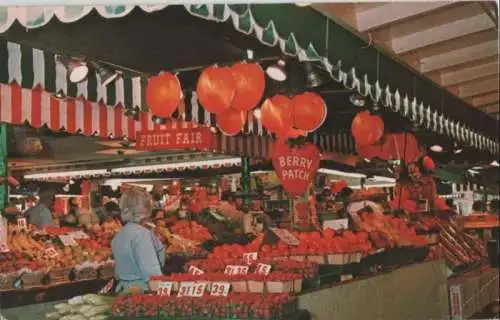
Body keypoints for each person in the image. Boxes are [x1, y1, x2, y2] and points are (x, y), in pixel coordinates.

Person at [111, 187, 165, 293]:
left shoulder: (119, 235)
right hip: (141, 292)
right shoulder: (142, 235)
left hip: (123, 290)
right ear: (145, 208)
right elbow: (152, 274)